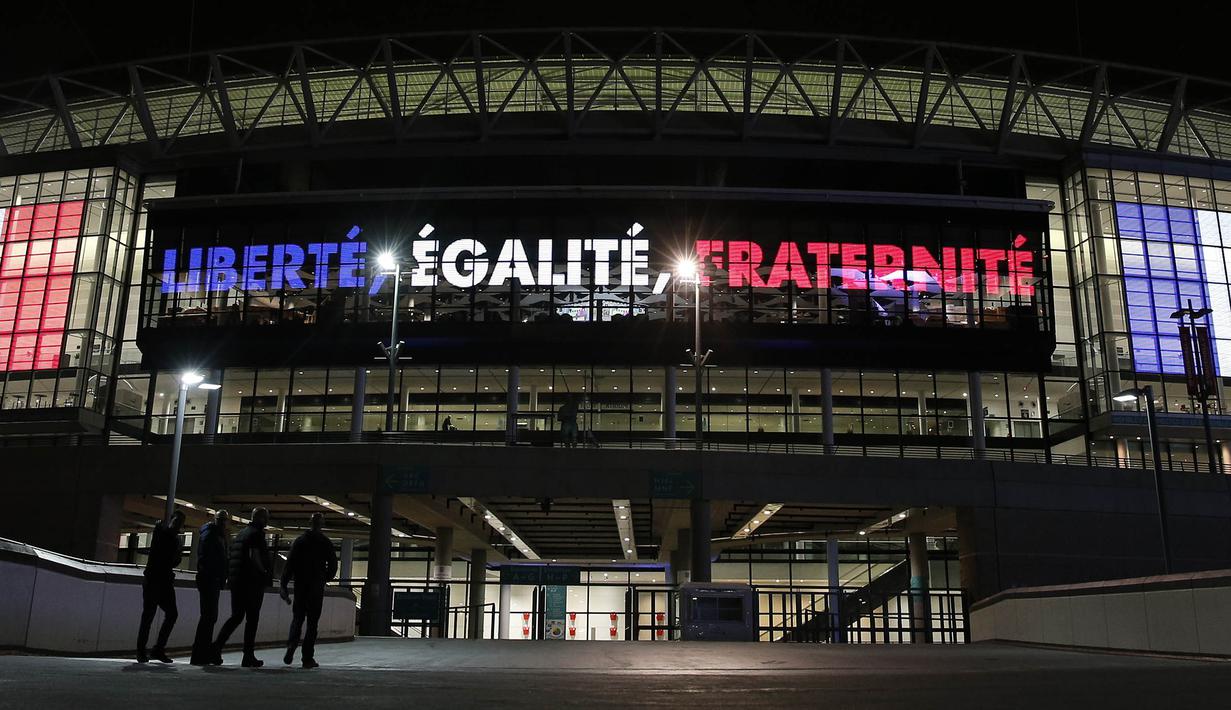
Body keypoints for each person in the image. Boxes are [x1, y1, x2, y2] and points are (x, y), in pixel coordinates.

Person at [213, 507, 272, 667]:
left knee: (237, 616)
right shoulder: (256, 534)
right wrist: (264, 573)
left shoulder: (242, 533)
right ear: (260, 518)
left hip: (237, 581)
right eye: (265, 517)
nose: (267, 521)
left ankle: (217, 647)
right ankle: (248, 655)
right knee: (252, 619)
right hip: (251, 582)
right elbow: (255, 557)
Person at [280, 512, 338, 669]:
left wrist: (283, 584)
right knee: (312, 624)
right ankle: (307, 657)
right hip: (316, 587)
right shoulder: (325, 542)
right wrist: (324, 578)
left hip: (301, 585)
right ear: (322, 523)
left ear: (309, 522)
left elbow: (289, 564)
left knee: (297, 618)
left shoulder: (300, 541)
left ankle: (291, 645)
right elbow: (333, 565)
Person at [136, 509, 185, 664]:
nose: (177, 525)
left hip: (158, 580)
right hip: (158, 580)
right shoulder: (165, 535)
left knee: (154, 615)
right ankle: (150, 650)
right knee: (156, 615)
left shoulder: (164, 534)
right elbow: (172, 559)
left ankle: (148, 650)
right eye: (176, 521)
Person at [190, 509, 230, 665]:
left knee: (209, 617)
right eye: (221, 520)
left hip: (209, 579)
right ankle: (201, 653)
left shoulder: (213, 534)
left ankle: (201, 653)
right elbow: (212, 558)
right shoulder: (213, 535)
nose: (222, 522)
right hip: (210, 579)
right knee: (209, 616)